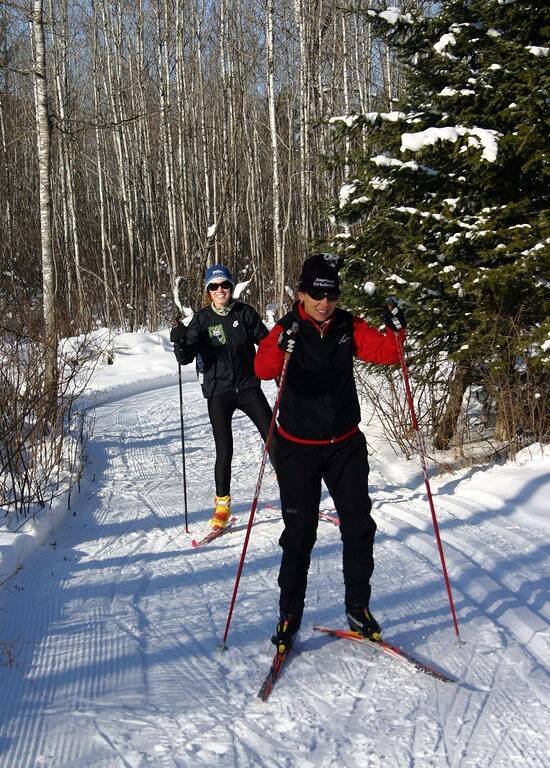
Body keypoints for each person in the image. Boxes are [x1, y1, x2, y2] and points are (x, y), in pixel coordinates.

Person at [254, 253, 406, 648]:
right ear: (301, 294)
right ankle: (290, 616)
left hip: (344, 446)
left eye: (332, 295)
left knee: (359, 528)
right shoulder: (287, 328)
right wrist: (280, 348)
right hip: (298, 449)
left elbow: (387, 353)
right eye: (317, 294)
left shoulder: (347, 325)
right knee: (300, 534)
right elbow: (263, 369)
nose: (325, 303)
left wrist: (396, 331)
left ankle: (359, 607)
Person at [171, 264, 275, 529]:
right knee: (224, 450)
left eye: (224, 285)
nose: (220, 290)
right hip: (219, 391)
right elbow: (186, 357)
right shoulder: (203, 319)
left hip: (248, 387)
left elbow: (266, 343)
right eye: (214, 286)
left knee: (273, 438)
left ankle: (293, 494)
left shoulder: (245, 313)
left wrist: (279, 352)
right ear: (208, 290)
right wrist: (180, 341)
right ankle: (222, 507)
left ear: (231, 287)